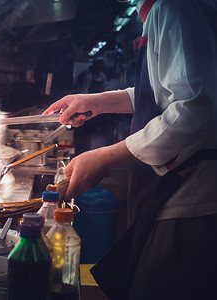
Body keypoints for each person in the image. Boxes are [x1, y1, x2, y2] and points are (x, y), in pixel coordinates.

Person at [43, 0, 217, 299]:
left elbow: (194, 108)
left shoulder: (174, 8)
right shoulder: (158, 12)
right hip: (174, 190)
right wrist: (97, 101)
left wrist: (104, 157)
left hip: (189, 197)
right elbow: (162, 93)